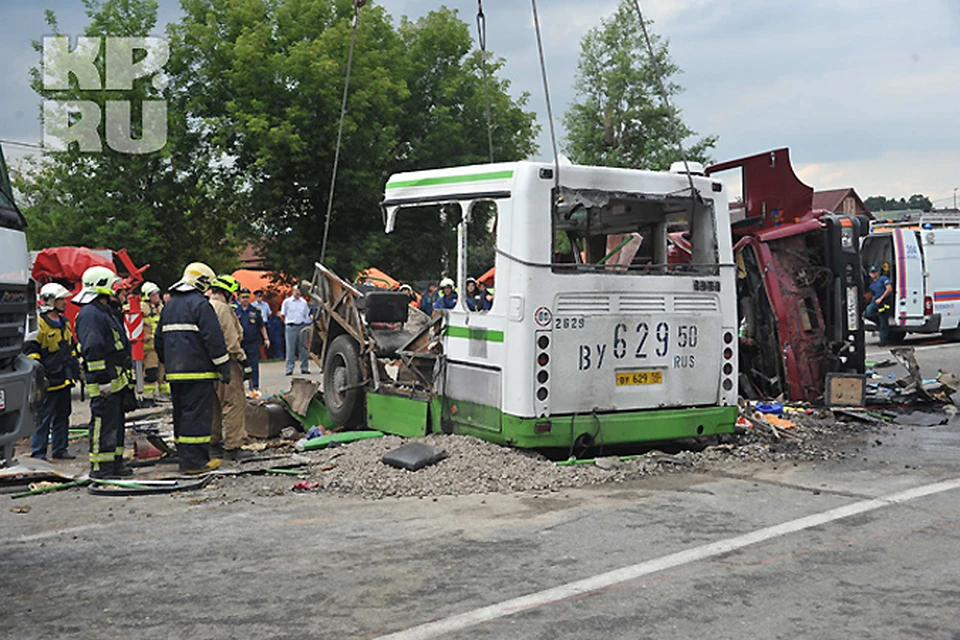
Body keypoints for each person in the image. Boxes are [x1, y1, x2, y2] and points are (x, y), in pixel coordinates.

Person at [155, 262, 229, 474]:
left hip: (175, 374)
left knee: (181, 415)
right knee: (197, 417)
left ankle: (185, 459)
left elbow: (158, 339)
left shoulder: (169, 305)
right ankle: (196, 463)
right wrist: (223, 366)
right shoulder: (200, 304)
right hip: (199, 372)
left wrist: (167, 362)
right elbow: (213, 339)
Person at [73, 267, 133, 479]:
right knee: (102, 423)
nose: (118, 290)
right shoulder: (90, 314)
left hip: (115, 379)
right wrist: (102, 379)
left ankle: (114, 463)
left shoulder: (105, 311)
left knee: (115, 423)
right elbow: (93, 348)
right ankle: (100, 468)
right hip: (104, 381)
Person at [25, 283, 80, 461]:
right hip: (48, 379)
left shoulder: (64, 323)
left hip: (63, 378)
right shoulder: (40, 324)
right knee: (43, 417)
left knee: (63, 415)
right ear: (50, 301)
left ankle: (60, 449)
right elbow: (32, 350)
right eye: (60, 300)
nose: (64, 303)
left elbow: (70, 347)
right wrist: (40, 376)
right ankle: (39, 452)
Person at [207, 275, 252, 460]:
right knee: (234, 403)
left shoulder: (207, 306)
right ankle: (233, 446)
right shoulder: (223, 309)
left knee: (215, 404)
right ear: (227, 292)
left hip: (210, 362)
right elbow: (231, 340)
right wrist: (243, 359)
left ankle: (213, 442)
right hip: (227, 361)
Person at [236, 288, 270, 398]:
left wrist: (266, 339)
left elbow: (261, 326)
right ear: (239, 299)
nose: (245, 300)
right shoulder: (235, 311)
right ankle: (239, 386)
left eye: (247, 297)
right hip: (240, 343)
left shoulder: (255, 311)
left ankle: (254, 386)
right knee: (239, 366)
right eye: (243, 297)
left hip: (253, 342)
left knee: (253, 365)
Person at [139, 281, 168, 397]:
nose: (156, 296)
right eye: (153, 294)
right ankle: (147, 397)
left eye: (157, 294)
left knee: (164, 373)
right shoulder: (142, 308)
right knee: (151, 373)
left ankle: (165, 394)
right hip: (148, 348)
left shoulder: (162, 308)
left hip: (161, 346)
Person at [279, 283, 312, 375]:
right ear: (292, 291)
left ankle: (304, 368)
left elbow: (307, 315)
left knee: (303, 349)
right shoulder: (287, 302)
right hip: (291, 326)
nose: (297, 292)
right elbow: (282, 315)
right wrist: (288, 323)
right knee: (290, 349)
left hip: (302, 326)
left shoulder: (304, 302)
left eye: (299, 291)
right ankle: (289, 369)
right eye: (296, 290)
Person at [865, 265, 894, 346]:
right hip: (876, 303)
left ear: (878, 273)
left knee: (883, 322)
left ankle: (883, 341)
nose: (873, 274)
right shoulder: (871, 285)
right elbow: (873, 296)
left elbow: (889, 289)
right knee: (867, 313)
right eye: (872, 272)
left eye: (875, 272)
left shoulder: (883, 279)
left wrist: (881, 298)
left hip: (884, 303)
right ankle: (879, 323)